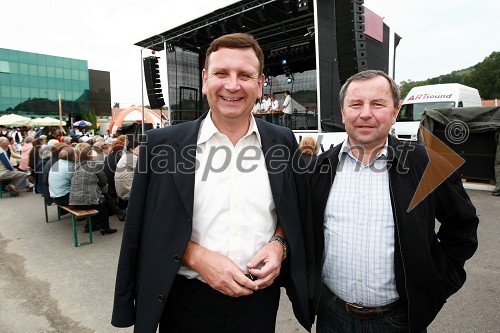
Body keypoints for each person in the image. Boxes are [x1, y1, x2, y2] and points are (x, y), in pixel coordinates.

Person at [112, 32, 311, 332]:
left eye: (244, 75)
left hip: (259, 303)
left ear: (259, 85)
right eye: (221, 73)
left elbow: (293, 210)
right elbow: (143, 227)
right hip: (184, 304)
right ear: (205, 79)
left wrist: (279, 244)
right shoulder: (161, 145)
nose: (232, 85)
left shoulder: (283, 141)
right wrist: (196, 256)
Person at [309, 70, 479, 332]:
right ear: (343, 112)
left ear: (394, 112)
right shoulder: (318, 168)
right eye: (356, 104)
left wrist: (437, 284)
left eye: (377, 104)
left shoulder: (428, 165)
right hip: (332, 316)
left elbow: (462, 227)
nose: (366, 113)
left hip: (399, 320)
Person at [69, 143, 117, 235]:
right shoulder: (94, 165)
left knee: (97, 199)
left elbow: (72, 179)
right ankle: (105, 227)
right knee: (103, 204)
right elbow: (103, 182)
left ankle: (91, 225)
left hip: (74, 201)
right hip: (89, 201)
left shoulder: (74, 166)